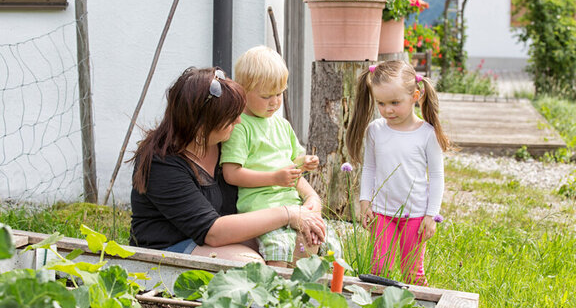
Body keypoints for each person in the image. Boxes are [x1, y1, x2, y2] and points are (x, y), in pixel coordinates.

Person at [129, 67, 326, 263]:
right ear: (201, 125)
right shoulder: (162, 164)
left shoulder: (225, 144)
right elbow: (212, 232)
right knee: (248, 265)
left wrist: (311, 198)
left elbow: (276, 168)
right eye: (230, 118)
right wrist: (287, 214)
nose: (239, 121)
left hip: (220, 237)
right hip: (168, 249)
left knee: (300, 246)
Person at [346, 60, 452, 286]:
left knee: (413, 271)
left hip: (415, 215)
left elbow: (436, 176)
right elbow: (370, 168)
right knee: (378, 268)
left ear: (415, 96)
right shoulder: (375, 130)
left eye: (395, 102)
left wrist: (430, 215)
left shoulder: (426, 134)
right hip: (383, 213)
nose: (387, 110)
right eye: (381, 103)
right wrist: (365, 201)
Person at [221, 46, 323, 267]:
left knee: (325, 242)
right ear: (242, 91)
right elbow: (231, 173)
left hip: (292, 204)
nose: (275, 102)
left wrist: (304, 163)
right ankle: (274, 296)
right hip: (262, 211)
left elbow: (292, 165)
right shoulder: (240, 126)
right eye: (266, 96)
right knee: (279, 249)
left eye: (279, 94)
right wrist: (274, 178)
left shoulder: (282, 124)